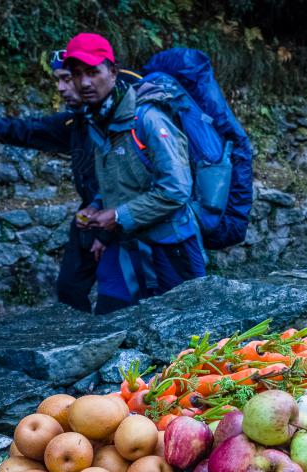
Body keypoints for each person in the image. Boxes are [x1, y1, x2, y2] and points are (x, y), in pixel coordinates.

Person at [63, 33, 206, 314]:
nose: (85, 82)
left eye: (93, 72)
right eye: (77, 74)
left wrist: (117, 216)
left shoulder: (148, 119)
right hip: (131, 245)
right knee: (117, 320)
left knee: (190, 331)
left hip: (172, 246)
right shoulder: (99, 122)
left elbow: (176, 189)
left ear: (113, 72)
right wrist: (96, 208)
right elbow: (115, 183)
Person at [0, 51, 108, 313]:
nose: (61, 88)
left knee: (116, 298)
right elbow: (34, 128)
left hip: (117, 219)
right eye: (58, 80)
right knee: (69, 289)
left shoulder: (116, 121)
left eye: (66, 78)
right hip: (89, 218)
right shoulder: (77, 121)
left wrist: (108, 232)